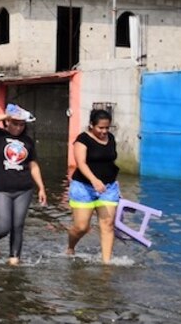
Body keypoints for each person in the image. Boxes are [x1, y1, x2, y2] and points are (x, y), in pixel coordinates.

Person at [0, 103, 46, 266]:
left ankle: (14, 258)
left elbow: (33, 165)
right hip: (1, 188)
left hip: (23, 188)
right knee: (3, 226)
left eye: (22, 124)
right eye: (15, 124)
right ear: (8, 122)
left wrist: (41, 188)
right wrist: (7, 115)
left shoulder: (28, 141)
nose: (18, 128)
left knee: (18, 225)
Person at [66, 109, 121, 264]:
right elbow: (81, 163)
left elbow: (110, 163)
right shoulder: (82, 140)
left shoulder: (110, 138)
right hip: (84, 187)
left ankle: (106, 263)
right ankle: (70, 246)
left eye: (107, 128)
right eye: (100, 128)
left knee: (107, 225)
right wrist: (94, 180)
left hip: (108, 188)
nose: (104, 132)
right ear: (91, 125)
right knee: (82, 227)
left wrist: (116, 185)